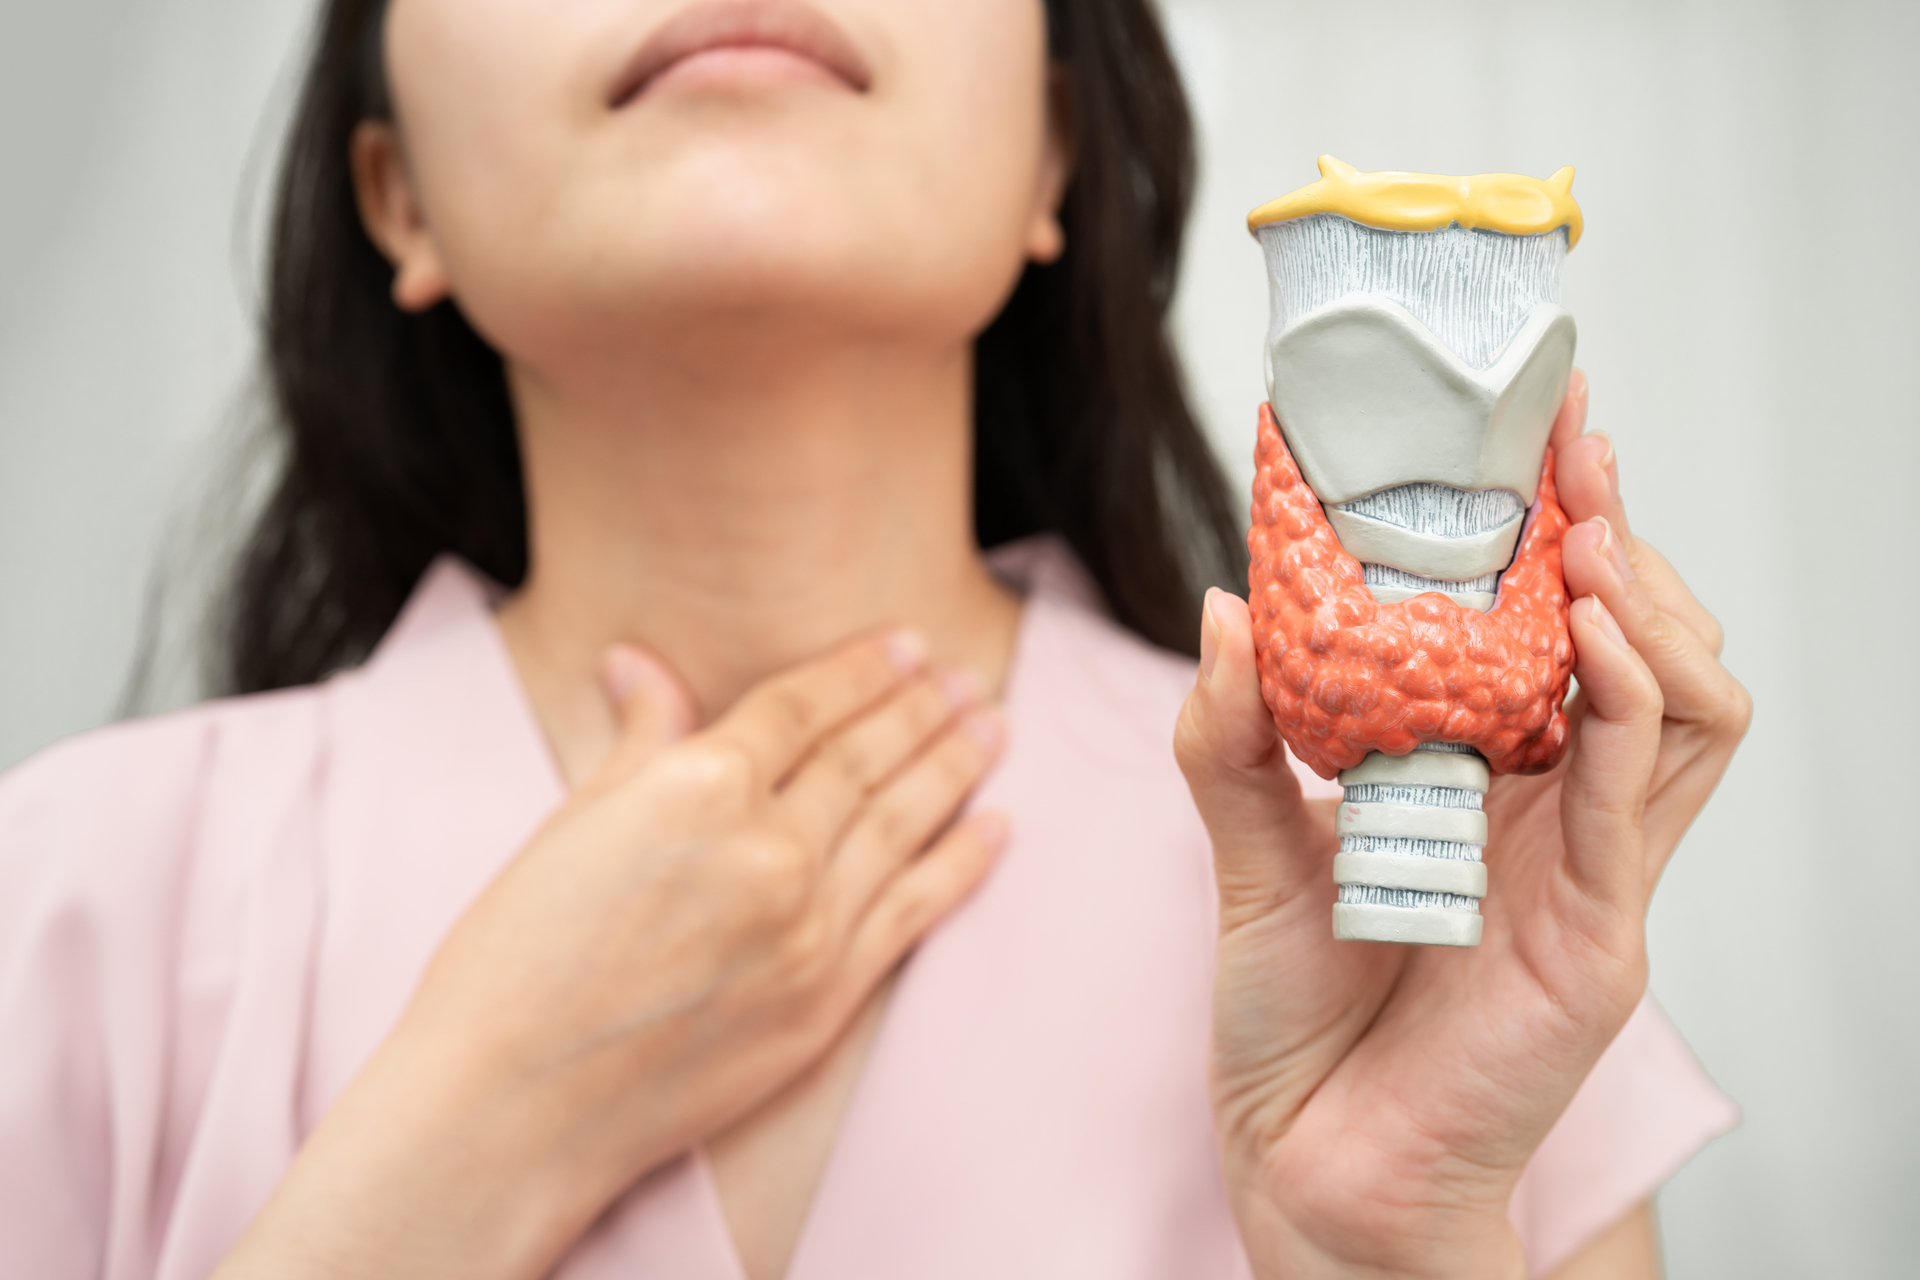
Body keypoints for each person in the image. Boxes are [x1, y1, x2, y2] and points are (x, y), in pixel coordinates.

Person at [0, 0, 1749, 1277]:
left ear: (1058, 155)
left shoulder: (1453, 970)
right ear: (399, 200)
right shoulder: (63, 897)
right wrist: (466, 1140)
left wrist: (1395, 1250)